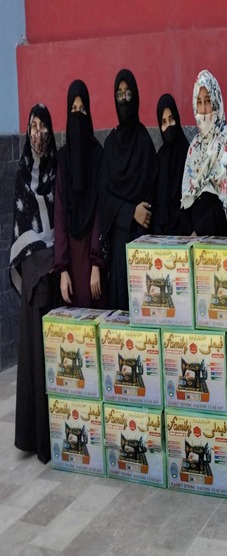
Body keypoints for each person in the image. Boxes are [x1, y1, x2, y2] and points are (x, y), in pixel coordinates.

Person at [10, 103, 60, 463]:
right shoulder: (21, 173)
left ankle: (56, 434)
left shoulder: (58, 169)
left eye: (43, 126)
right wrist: (41, 260)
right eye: (33, 126)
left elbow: (62, 219)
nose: (38, 133)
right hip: (34, 272)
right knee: (35, 355)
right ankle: (36, 436)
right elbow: (21, 231)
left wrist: (54, 259)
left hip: (56, 269)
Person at [100, 69, 158, 310]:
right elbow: (104, 197)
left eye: (128, 94)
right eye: (119, 94)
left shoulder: (144, 141)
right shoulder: (110, 145)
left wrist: (142, 214)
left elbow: (153, 187)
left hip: (142, 239)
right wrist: (129, 211)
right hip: (119, 242)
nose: (124, 100)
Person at [54, 80, 106, 308]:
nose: (77, 115)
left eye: (82, 109)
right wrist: (62, 268)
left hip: (91, 257)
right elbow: (60, 214)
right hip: (70, 259)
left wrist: (96, 263)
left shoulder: (98, 156)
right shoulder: (63, 159)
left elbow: (100, 211)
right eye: (73, 109)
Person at [181, 69, 227, 237]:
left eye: (207, 101)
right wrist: (189, 233)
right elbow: (186, 198)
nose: (203, 109)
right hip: (193, 241)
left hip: (218, 242)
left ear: (216, 102)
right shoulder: (195, 146)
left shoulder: (226, 144)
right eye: (199, 102)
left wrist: (199, 231)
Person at [152, 93, 189, 235]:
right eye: (164, 122)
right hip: (163, 239)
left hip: (187, 236)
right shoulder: (159, 160)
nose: (169, 126)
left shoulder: (190, 154)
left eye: (171, 119)